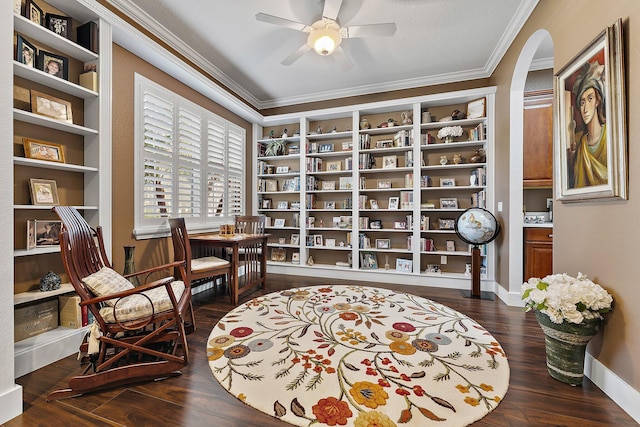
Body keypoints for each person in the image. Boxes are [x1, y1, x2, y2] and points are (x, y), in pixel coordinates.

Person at [567, 61, 607, 188]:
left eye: (590, 99)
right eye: (582, 102)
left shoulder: (609, 136)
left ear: (597, 101)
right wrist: (572, 162)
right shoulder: (579, 142)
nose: (585, 109)